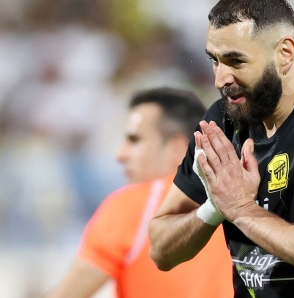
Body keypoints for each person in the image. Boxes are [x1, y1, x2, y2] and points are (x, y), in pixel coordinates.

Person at [149, 0, 294, 297]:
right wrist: (214, 208)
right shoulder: (222, 122)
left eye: (236, 61)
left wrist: (241, 210)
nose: (221, 79)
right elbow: (160, 249)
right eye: (215, 60)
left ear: (285, 53)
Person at [47, 88, 233, 298]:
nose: (120, 154)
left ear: (178, 149)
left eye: (134, 140)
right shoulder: (242, 198)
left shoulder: (132, 205)